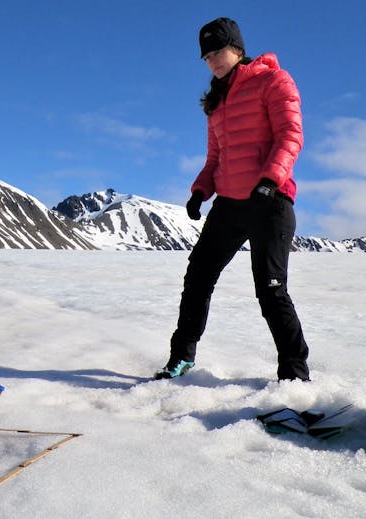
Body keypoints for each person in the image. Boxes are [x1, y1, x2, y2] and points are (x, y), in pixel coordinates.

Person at [155, 17, 309, 381]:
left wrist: (270, 179)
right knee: (198, 276)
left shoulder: (274, 81)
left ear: (237, 48)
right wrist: (200, 191)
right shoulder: (216, 102)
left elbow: (290, 135)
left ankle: (294, 374)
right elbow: (215, 158)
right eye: (206, 56)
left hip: (269, 201)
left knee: (271, 290)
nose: (212, 60)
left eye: (217, 51)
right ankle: (181, 357)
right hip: (229, 203)